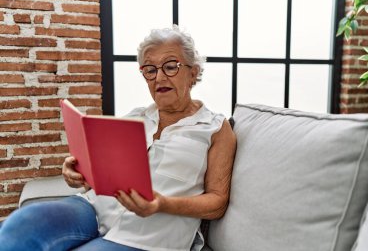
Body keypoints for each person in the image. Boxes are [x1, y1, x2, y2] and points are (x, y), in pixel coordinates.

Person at [0, 25, 236, 251]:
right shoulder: (133, 118)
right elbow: (101, 172)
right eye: (150, 70)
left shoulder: (215, 127)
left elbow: (217, 202)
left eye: (170, 66)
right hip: (93, 208)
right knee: (21, 225)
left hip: (151, 235)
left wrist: (163, 203)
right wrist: (77, 170)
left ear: (193, 72)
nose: (159, 78)